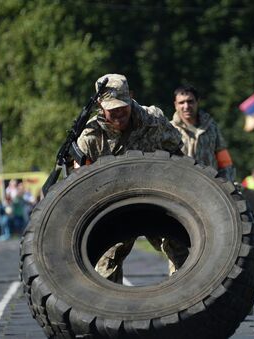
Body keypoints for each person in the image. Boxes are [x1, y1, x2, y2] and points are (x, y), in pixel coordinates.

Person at [76, 73, 186, 283]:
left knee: (182, 250)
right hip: (116, 208)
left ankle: (186, 300)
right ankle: (109, 311)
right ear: (100, 105)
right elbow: (79, 182)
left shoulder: (153, 120)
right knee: (106, 266)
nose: (118, 113)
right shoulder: (90, 137)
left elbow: (178, 156)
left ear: (131, 96)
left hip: (157, 201)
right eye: (112, 108)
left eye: (122, 106)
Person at [170, 84, 235, 182]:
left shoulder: (211, 128)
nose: (186, 106)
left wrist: (226, 185)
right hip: (179, 186)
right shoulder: (169, 129)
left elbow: (225, 163)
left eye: (190, 101)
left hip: (208, 187)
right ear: (175, 105)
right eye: (181, 102)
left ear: (197, 102)